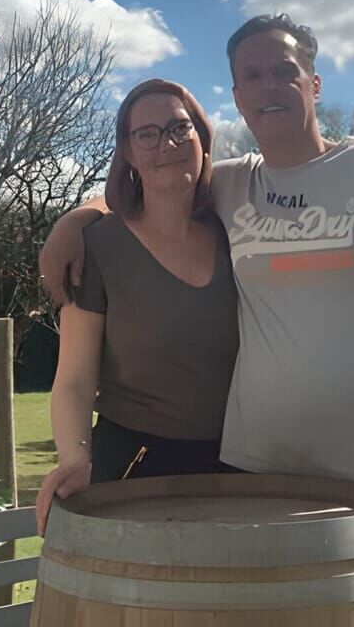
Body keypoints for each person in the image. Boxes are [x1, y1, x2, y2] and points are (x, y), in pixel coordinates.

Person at [41, 15, 354, 548]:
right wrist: (73, 221)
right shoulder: (234, 184)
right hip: (250, 464)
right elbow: (157, 186)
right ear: (236, 97)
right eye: (252, 76)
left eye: (284, 71)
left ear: (314, 83)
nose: (268, 86)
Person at [34, 79, 239, 535]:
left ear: (202, 137)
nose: (167, 144)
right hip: (132, 469)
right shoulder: (97, 248)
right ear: (127, 151)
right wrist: (74, 457)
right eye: (147, 134)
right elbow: (74, 379)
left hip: (236, 468)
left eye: (179, 128)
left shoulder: (235, 229)